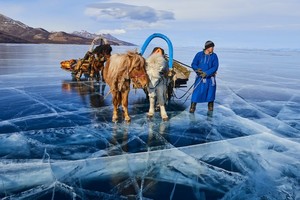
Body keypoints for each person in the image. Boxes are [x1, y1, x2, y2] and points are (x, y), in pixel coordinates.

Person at [189, 40, 219, 113]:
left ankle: (210, 109)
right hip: (200, 78)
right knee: (196, 93)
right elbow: (193, 64)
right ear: (208, 47)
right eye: (212, 47)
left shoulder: (214, 56)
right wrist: (197, 69)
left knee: (210, 94)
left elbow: (215, 67)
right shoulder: (199, 55)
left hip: (210, 79)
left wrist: (207, 73)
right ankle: (192, 108)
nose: (213, 48)